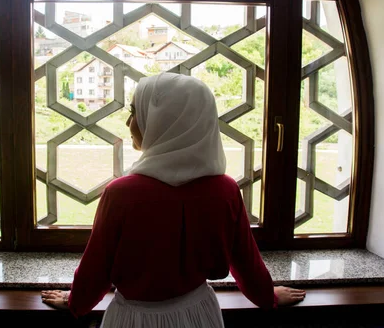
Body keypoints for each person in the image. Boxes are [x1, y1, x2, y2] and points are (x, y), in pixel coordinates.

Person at [41, 72, 306, 327]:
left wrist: (76, 302)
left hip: (135, 320)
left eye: (135, 112)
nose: (129, 123)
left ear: (161, 120)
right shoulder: (225, 190)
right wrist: (267, 296)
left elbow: (96, 268)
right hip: (199, 314)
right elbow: (246, 262)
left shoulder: (122, 194)